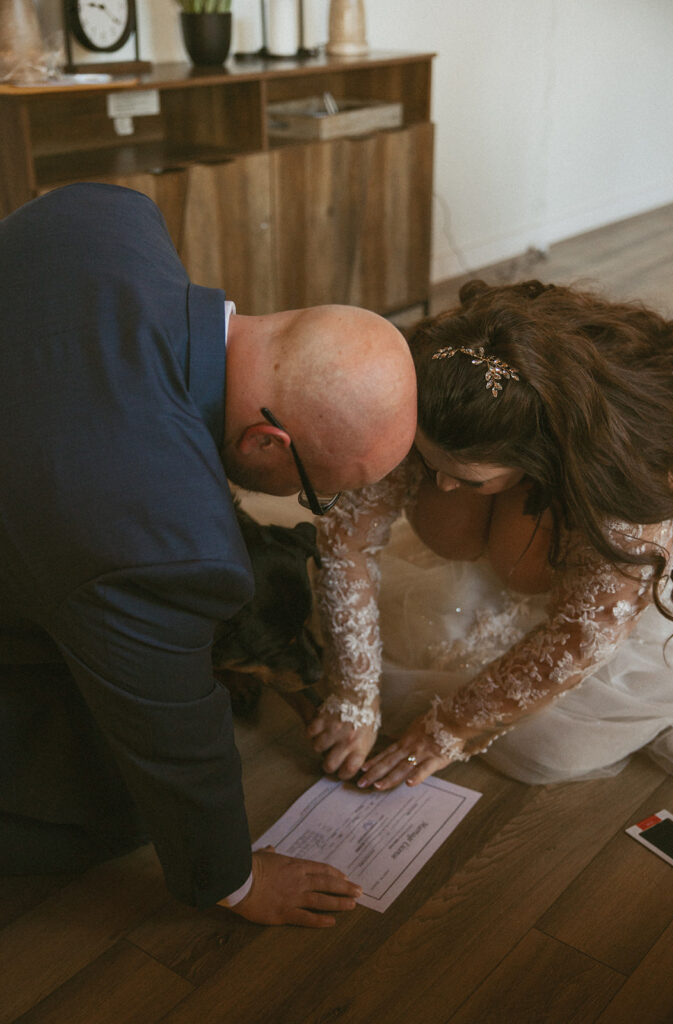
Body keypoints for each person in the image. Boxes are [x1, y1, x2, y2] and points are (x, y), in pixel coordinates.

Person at [0, 182, 417, 927]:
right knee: (118, 806)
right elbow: (174, 744)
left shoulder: (109, 212)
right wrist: (236, 878)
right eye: (313, 495)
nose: (305, 509)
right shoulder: (161, 542)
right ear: (267, 444)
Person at [307, 279, 673, 789]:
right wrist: (354, 694)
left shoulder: (623, 494)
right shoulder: (442, 387)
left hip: (601, 567)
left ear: (538, 459)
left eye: (467, 478)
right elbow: (347, 539)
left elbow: (579, 635)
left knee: (554, 748)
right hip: (501, 531)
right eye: (431, 463)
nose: (441, 484)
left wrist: (447, 729)